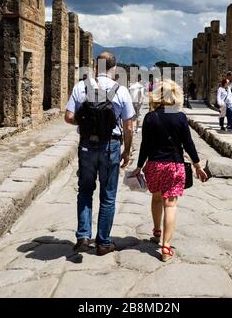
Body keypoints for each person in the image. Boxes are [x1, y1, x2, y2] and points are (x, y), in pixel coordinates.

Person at [65, 52, 135, 256]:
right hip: (110, 146)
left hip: (87, 146)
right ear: (114, 68)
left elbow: (68, 117)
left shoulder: (81, 87)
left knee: (85, 190)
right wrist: (127, 151)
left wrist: (86, 122)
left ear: (96, 66)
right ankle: (103, 242)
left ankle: (83, 235)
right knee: (108, 194)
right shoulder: (121, 91)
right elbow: (128, 127)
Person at [132, 79, 207, 262]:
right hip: (174, 165)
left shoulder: (150, 117)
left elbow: (145, 145)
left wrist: (139, 166)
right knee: (170, 205)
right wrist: (197, 166)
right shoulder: (180, 117)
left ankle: (157, 231)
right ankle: (166, 247)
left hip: (154, 165)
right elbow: (188, 144)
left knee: (156, 198)